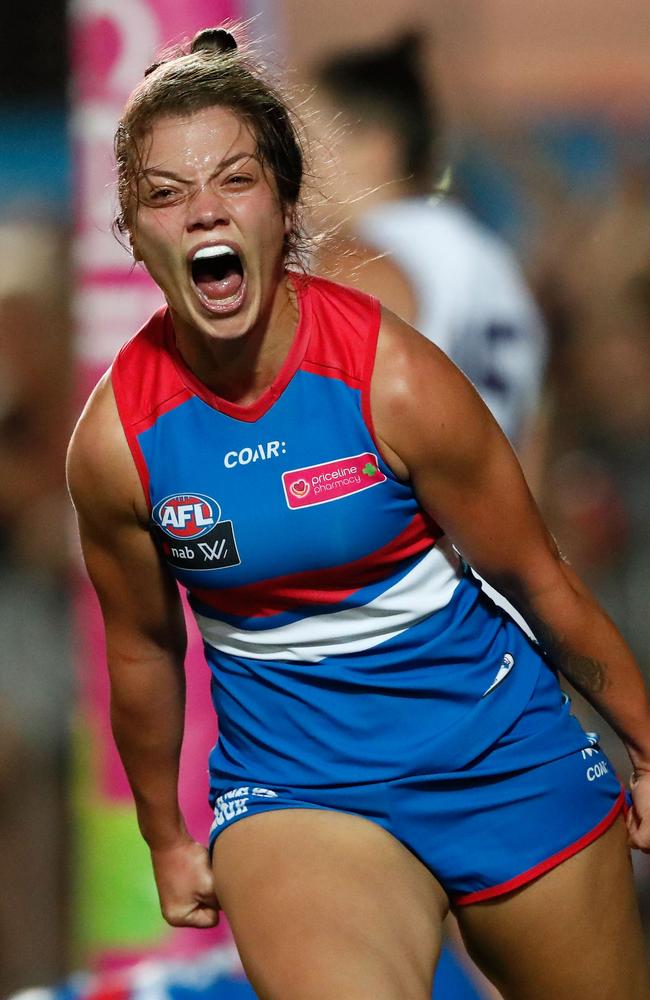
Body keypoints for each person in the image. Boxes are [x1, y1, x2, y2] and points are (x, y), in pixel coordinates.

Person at [66, 26, 650, 1000]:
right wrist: (166, 836)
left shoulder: (393, 375)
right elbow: (138, 647)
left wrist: (642, 740)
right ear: (131, 231)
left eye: (233, 180)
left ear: (286, 202)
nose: (202, 210)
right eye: (164, 194)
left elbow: (534, 576)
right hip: (297, 793)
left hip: (495, 749)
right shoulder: (116, 444)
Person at [311, 32, 547, 454]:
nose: (293, 160)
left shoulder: (362, 260)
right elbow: (536, 426)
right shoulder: (493, 258)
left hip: (410, 507)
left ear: (374, 146)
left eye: (305, 137)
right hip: (485, 505)